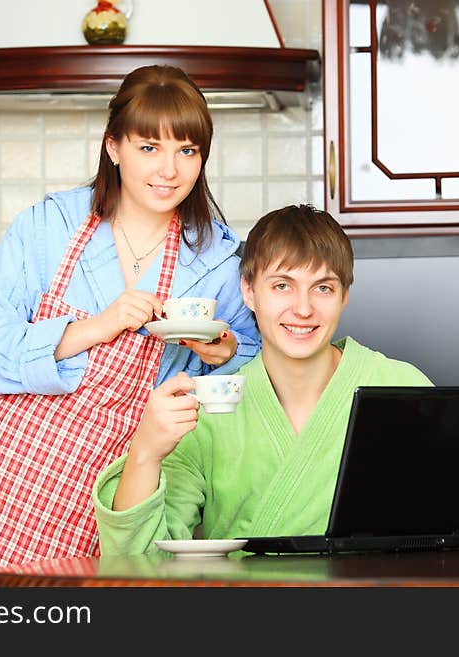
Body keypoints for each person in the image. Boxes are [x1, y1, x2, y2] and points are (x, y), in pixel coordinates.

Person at [0, 65, 260, 586]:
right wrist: (92, 328)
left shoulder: (217, 256)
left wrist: (221, 347)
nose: (169, 170)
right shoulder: (51, 224)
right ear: (114, 146)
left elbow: (253, 355)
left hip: (93, 483)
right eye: (149, 147)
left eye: (187, 151)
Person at [91, 204, 432, 555]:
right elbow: (139, 563)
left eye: (323, 288)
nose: (303, 308)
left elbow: (453, 537)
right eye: (282, 285)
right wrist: (145, 453)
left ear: (345, 295)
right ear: (249, 291)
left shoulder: (402, 386)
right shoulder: (208, 408)